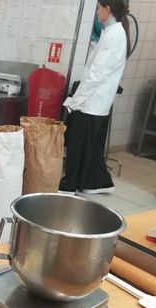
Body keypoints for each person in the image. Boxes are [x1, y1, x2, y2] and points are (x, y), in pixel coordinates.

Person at [59, 0, 130, 195]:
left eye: (99, 8)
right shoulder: (114, 33)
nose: (97, 12)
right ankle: (97, 182)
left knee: (77, 145)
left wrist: (76, 101)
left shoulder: (114, 35)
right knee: (91, 147)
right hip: (98, 102)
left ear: (108, 10)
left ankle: (68, 185)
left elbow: (96, 75)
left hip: (92, 103)